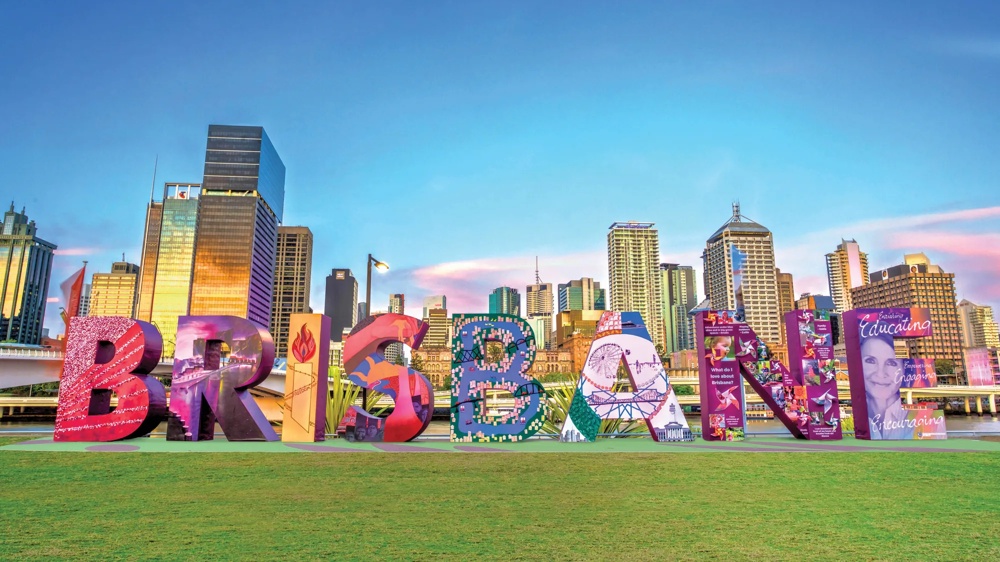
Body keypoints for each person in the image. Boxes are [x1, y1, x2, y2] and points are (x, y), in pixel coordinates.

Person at [861, 334, 913, 439]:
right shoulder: (853, 419)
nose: (880, 374)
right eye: (870, 361)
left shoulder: (921, 420)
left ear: (903, 370)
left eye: (892, 363)